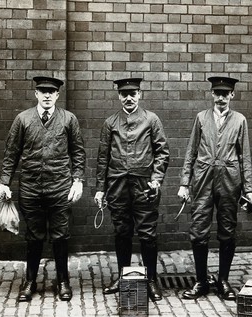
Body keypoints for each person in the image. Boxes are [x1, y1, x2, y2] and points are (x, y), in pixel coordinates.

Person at [0, 76, 86, 302]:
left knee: (60, 236)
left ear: (57, 95)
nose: (47, 95)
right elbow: (11, 153)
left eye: (51, 91)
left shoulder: (68, 119)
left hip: (59, 187)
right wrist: (4, 182)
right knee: (34, 236)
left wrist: (77, 180)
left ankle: (63, 282)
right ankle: (29, 282)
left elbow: (78, 152)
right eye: (42, 91)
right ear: (36, 93)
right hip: (31, 188)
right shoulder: (23, 119)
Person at [177, 76, 252, 300]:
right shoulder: (201, 118)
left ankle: (223, 280)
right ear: (212, 94)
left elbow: (245, 156)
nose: (221, 98)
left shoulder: (240, 120)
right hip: (202, 180)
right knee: (199, 230)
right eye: (217, 93)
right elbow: (191, 152)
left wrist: (248, 189)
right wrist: (184, 182)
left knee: (227, 231)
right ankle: (201, 281)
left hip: (230, 182)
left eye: (225, 93)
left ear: (232, 95)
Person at [94, 78, 170, 301]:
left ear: (139, 94)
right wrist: (100, 188)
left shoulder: (151, 120)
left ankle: (151, 280)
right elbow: (102, 158)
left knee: (147, 234)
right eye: (124, 94)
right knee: (122, 231)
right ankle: (122, 277)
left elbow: (162, 152)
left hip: (144, 185)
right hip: (117, 185)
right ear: (119, 96)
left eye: (133, 93)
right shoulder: (110, 123)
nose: (128, 98)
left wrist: (156, 179)